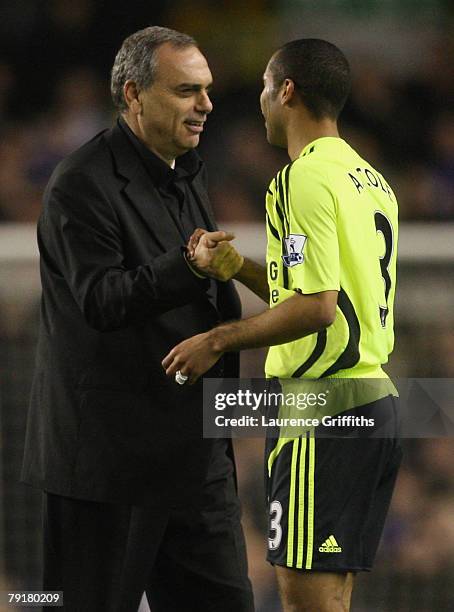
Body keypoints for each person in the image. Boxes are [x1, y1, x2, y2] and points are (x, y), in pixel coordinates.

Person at [163, 39, 402, 611]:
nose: (261, 102)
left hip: (320, 407)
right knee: (332, 598)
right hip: (374, 399)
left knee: (305, 602)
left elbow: (316, 308)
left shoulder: (299, 180)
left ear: (287, 90)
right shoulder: (369, 178)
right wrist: (236, 266)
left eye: (267, 88)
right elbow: (314, 295)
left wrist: (215, 338)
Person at [21, 26, 254, 612]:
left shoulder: (188, 168)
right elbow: (101, 300)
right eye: (185, 91)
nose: (204, 105)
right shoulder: (80, 182)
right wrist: (188, 264)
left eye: (205, 90)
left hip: (194, 463)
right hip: (108, 469)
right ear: (132, 94)